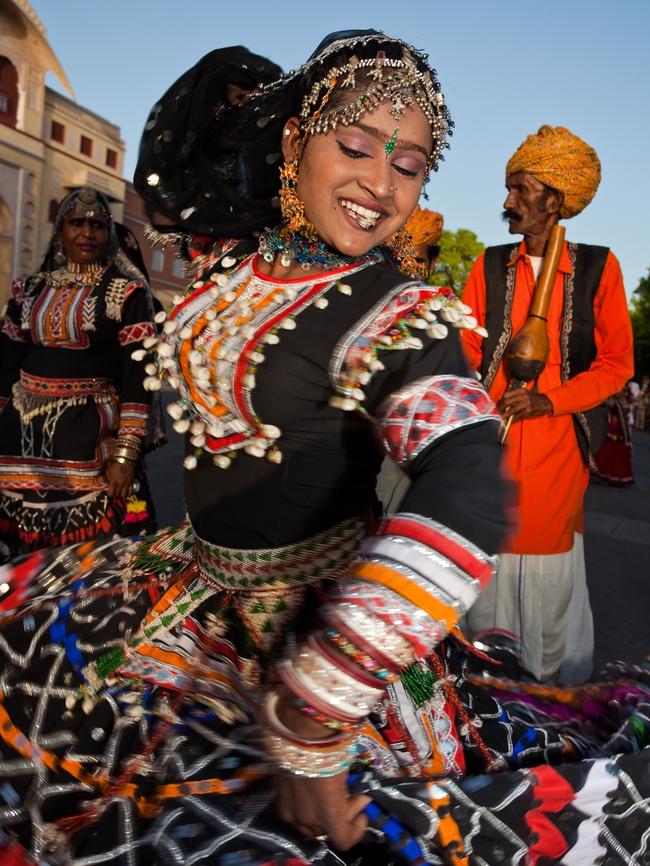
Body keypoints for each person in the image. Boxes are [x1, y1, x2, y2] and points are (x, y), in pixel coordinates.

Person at [0, 36, 647, 866]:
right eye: (354, 147)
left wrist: (320, 703)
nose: (381, 183)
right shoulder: (238, 263)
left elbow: (466, 482)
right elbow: (198, 118)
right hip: (188, 608)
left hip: (320, 654)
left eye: (409, 165)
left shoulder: (397, 310)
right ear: (294, 142)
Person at [462, 125, 634, 684]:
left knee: (542, 568)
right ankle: (484, 692)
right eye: (509, 189)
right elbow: (462, 350)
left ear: (554, 201)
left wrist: (549, 402)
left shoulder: (598, 268)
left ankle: (546, 705)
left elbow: (616, 365)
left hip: (557, 447)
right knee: (481, 561)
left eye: (519, 189)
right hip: (487, 445)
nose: (507, 202)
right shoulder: (488, 267)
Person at [0, 189, 159, 558]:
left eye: (98, 225)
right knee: (16, 556)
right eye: (77, 223)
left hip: (91, 435)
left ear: (110, 234)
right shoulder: (29, 290)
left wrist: (125, 455)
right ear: (60, 232)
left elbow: (139, 377)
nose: (87, 233)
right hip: (18, 438)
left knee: (89, 558)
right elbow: (5, 361)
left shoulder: (126, 293)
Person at [594, 392, 635, 485]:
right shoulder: (612, 401)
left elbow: (635, 400)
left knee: (621, 453)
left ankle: (621, 476)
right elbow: (606, 402)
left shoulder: (627, 397)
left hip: (624, 430)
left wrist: (644, 389)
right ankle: (608, 475)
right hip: (614, 429)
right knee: (611, 452)